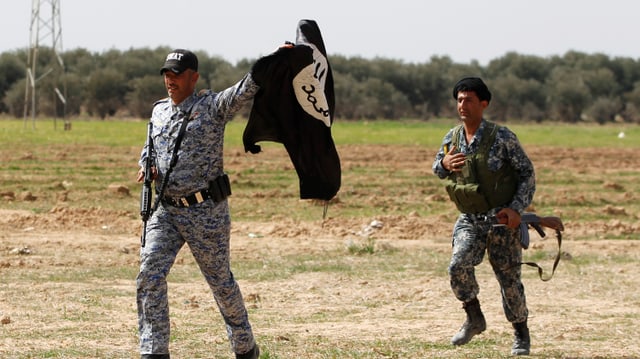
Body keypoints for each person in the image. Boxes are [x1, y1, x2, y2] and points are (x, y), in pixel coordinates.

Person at [135, 49, 260, 359]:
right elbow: (151, 146)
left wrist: (273, 62)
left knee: (220, 282)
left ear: (194, 77)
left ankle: (245, 348)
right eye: (166, 73)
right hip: (166, 210)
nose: (170, 79)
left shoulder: (213, 107)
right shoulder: (159, 111)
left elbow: (245, 88)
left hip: (205, 212)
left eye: (176, 74)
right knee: (149, 272)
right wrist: (145, 163)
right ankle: (154, 350)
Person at [432, 77, 536, 355]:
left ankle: (521, 335)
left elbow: (527, 173)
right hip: (470, 220)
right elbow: (437, 168)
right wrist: (443, 163)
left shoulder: (502, 137)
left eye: (468, 100)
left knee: (509, 281)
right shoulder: (452, 138)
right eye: (459, 100)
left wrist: (516, 209)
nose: (462, 105)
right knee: (457, 266)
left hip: (501, 221)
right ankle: (474, 317)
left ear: (483, 104)